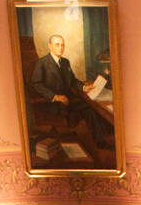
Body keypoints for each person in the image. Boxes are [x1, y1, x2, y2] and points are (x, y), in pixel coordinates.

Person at [30, 34, 114, 162]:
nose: (61, 47)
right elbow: (36, 84)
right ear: (50, 46)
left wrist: (83, 88)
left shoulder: (65, 62)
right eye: (57, 44)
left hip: (69, 99)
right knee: (89, 111)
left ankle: (102, 140)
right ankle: (100, 142)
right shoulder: (42, 63)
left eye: (62, 45)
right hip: (53, 103)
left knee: (92, 107)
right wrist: (54, 96)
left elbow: (73, 80)